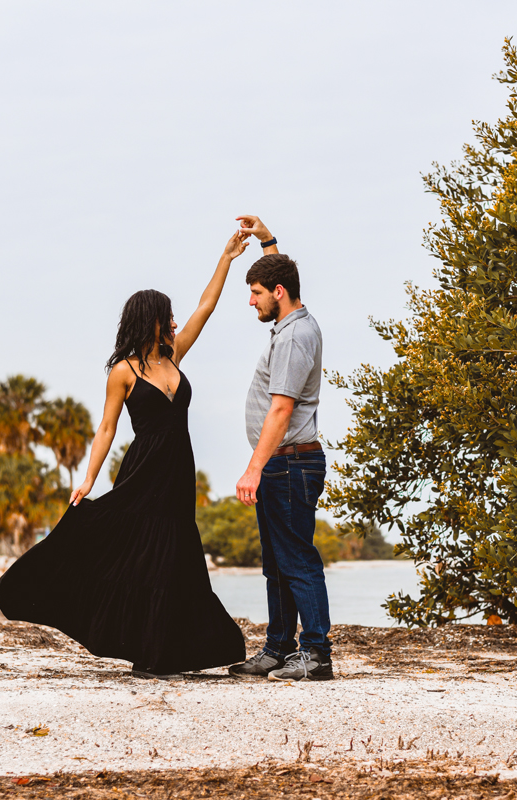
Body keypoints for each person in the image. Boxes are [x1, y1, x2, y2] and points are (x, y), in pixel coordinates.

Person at [0, 230, 251, 679]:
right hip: (143, 470)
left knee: (174, 553)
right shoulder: (123, 372)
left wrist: (225, 258)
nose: (173, 323)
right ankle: (144, 650)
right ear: (147, 319)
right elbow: (106, 427)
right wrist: (87, 479)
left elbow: (205, 308)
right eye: (166, 317)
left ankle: (166, 649)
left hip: (178, 470)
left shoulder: (175, 356)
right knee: (138, 552)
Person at [228, 215, 332, 682]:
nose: (251, 301)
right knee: (277, 563)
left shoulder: (293, 337)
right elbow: (281, 272)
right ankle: (277, 648)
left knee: (297, 560)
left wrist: (253, 468)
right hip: (282, 465)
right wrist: (267, 240)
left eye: (255, 294)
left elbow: (281, 411)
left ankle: (315, 654)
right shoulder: (291, 318)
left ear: (278, 295)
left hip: (288, 464)